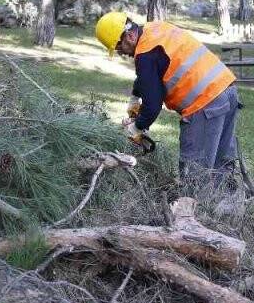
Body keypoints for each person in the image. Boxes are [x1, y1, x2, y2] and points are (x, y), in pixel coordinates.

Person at [94, 11, 240, 187]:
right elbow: (154, 71)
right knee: (221, 167)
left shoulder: (145, 55)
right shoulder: (154, 29)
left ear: (130, 36)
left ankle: (191, 211)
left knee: (194, 173)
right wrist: (135, 95)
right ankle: (226, 210)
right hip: (227, 90)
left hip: (205, 104)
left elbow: (153, 105)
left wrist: (136, 127)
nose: (121, 53)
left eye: (119, 48)